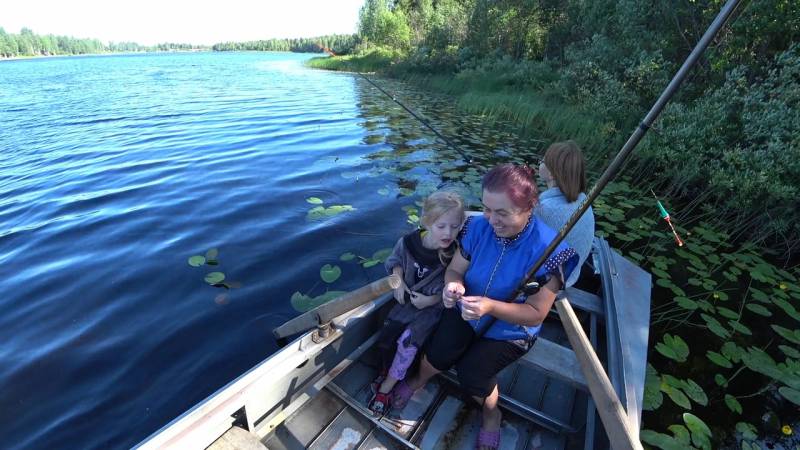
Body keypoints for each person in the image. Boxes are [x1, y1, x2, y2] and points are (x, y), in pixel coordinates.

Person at [389, 164, 578, 450]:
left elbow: (535, 314)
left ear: (530, 207)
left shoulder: (549, 250)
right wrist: (454, 287)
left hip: (511, 330)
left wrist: (490, 307)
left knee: (473, 374)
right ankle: (416, 380)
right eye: (487, 209)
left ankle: (492, 415)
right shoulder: (477, 228)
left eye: (502, 212)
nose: (491, 220)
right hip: (468, 309)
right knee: (439, 351)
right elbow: (454, 271)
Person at [368, 190, 466, 415]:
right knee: (388, 333)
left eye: (454, 226)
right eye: (441, 226)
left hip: (430, 310)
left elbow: (451, 292)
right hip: (406, 302)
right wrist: (398, 280)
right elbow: (395, 261)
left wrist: (431, 300)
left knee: (407, 342)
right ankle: (388, 370)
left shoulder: (454, 254)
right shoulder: (409, 242)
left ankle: (386, 387)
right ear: (427, 222)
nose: (448, 233)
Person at [535, 140, 595, 287]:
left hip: (548, 283)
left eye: (543, 160)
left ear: (551, 173)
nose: (540, 163)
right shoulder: (583, 201)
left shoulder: (545, 209)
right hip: (572, 275)